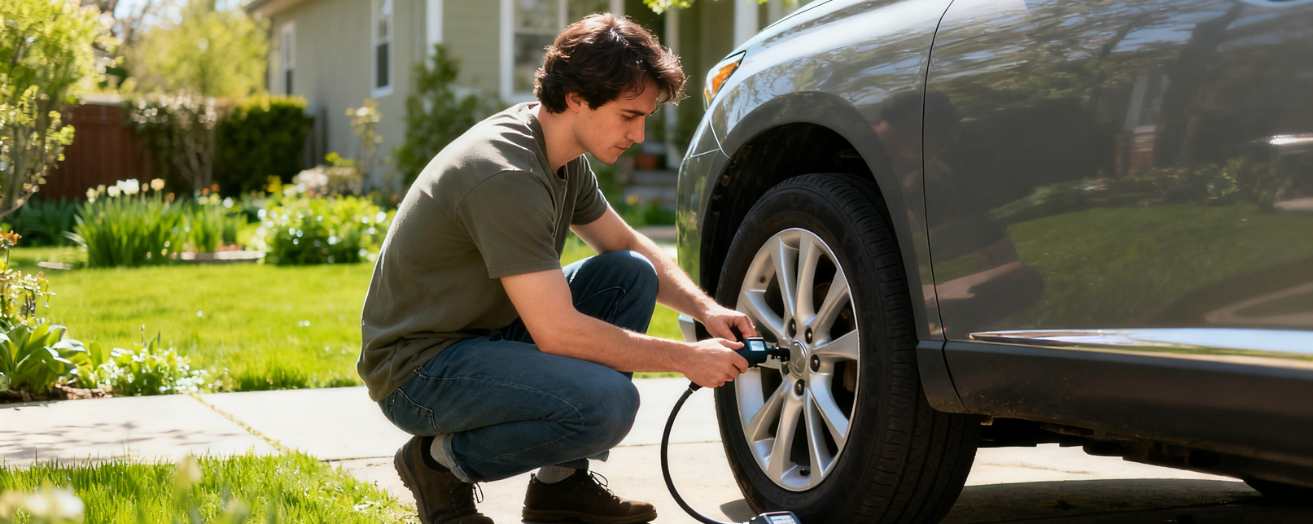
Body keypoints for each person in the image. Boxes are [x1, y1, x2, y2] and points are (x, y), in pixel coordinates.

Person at [358, 13, 755, 524]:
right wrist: (686, 357)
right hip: (419, 369)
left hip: (483, 338)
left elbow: (623, 241)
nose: (638, 134)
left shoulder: (560, 154)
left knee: (627, 271)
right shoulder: (504, 174)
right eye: (629, 115)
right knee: (607, 405)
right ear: (575, 98)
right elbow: (558, 333)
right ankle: (436, 465)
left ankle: (560, 489)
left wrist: (706, 309)